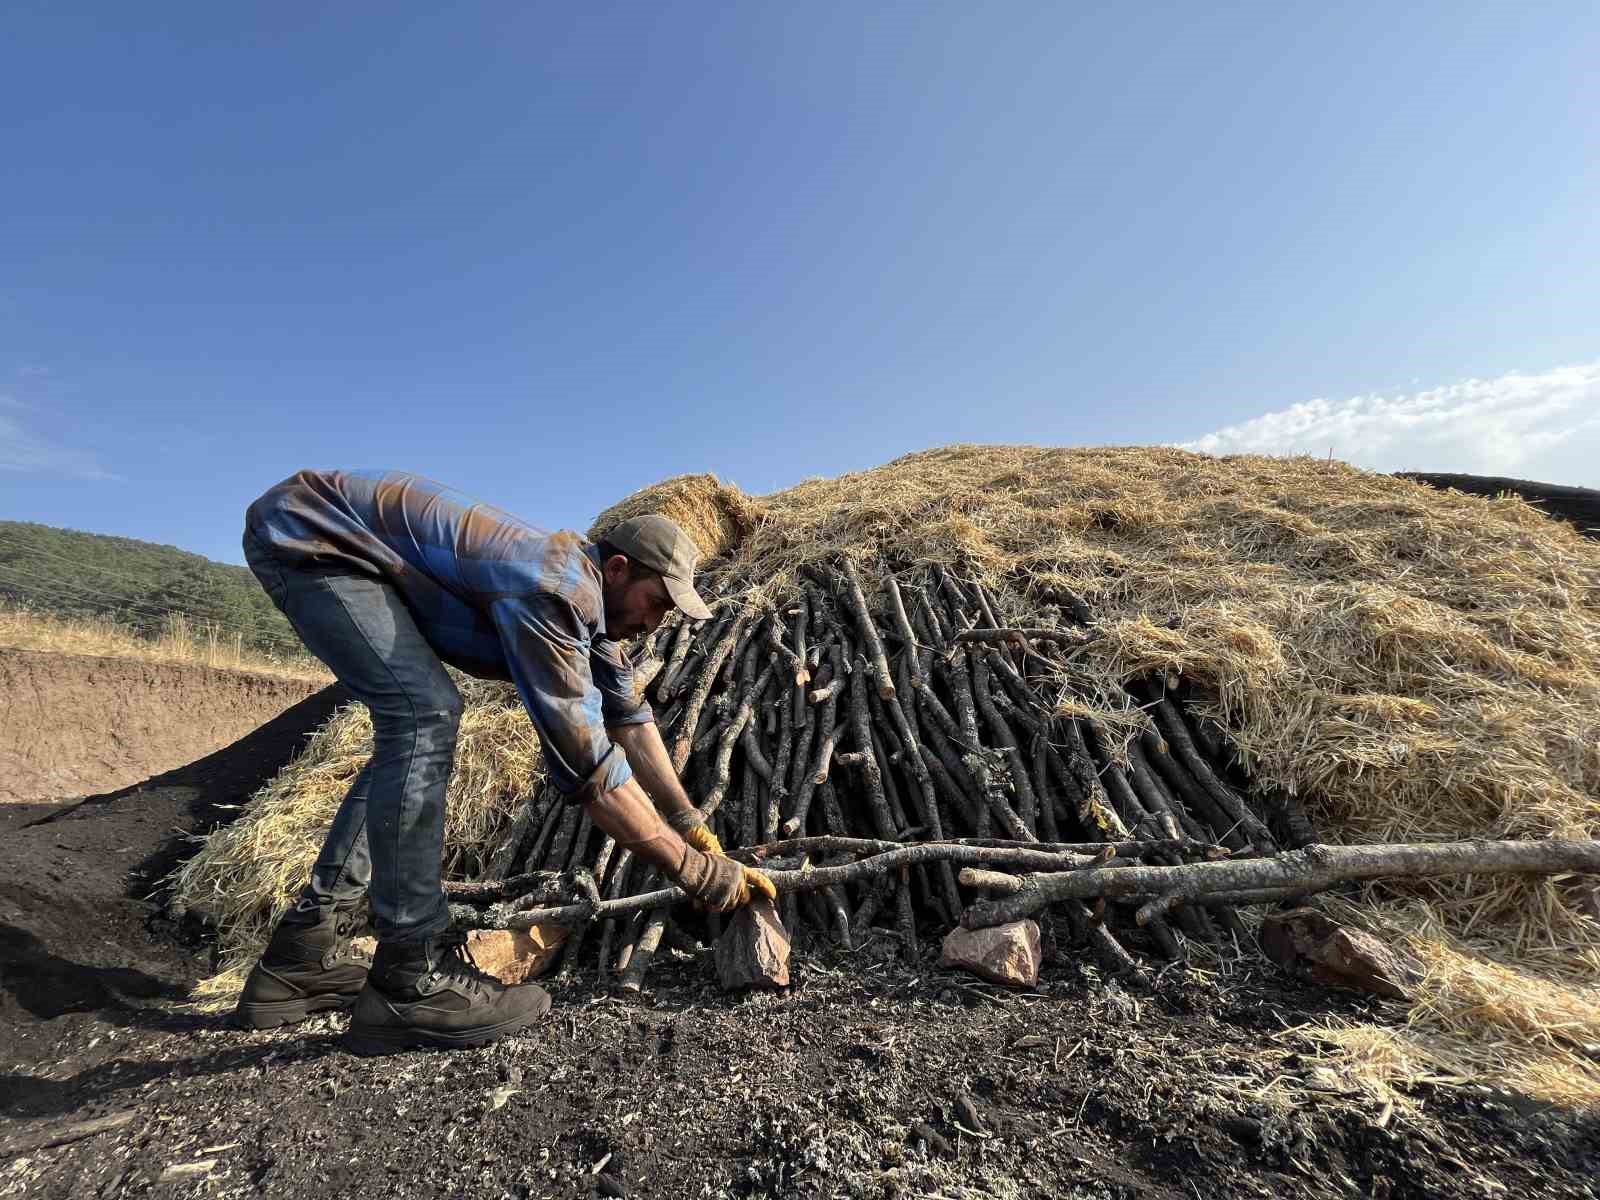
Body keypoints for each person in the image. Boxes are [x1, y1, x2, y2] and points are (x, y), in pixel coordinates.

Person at [233, 469, 774, 1055]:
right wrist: (696, 874)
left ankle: (300, 958)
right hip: (313, 532)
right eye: (655, 602)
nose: (654, 622)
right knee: (423, 716)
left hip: (336, 533)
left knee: (417, 722)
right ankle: (410, 978)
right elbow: (590, 765)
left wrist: (689, 821)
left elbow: (630, 721)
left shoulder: (592, 609)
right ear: (618, 569)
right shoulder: (555, 588)